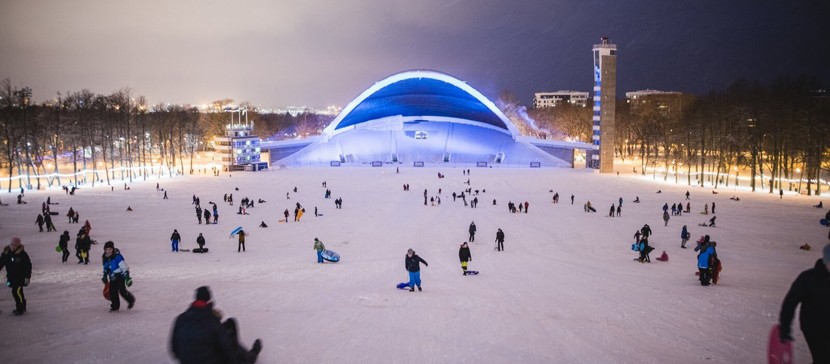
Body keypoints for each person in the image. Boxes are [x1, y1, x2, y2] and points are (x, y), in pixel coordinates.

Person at [170, 286, 262, 364]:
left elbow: (174, 348)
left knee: (226, 328)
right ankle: (250, 356)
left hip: (185, 361)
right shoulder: (213, 322)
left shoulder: (180, 319)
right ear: (209, 300)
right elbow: (228, 350)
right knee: (230, 329)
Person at [778, 244, 830, 363]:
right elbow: (789, 303)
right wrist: (784, 329)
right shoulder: (808, 279)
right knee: (822, 358)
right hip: (814, 328)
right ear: (826, 260)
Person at [0, 237, 32, 315]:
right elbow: (1, 263)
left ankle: (20, 309)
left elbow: (28, 266)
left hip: (20, 278)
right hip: (11, 277)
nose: (13, 246)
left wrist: (27, 277)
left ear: (18, 245)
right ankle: (22, 306)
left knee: (16, 292)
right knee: (19, 292)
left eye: (15, 245)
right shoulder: (5, 253)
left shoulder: (22, 254)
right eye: (12, 244)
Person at [101, 241, 135, 312]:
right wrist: (104, 275)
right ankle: (115, 306)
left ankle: (131, 300)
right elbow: (106, 267)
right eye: (106, 249)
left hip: (120, 276)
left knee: (122, 291)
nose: (108, 251)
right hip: (112, 277)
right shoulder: (105, 257)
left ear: (112, 249)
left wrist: (127, 277)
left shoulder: (117, 257)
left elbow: (124, 267)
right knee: (112, 292)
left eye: (110, 249)